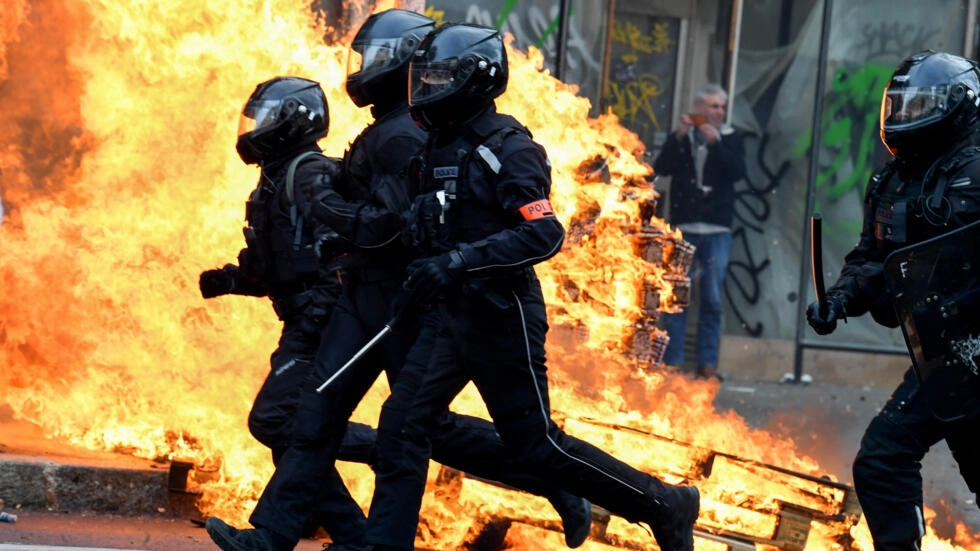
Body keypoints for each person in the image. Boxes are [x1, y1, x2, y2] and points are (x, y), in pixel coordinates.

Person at [204, 10, 591, 551]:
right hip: (364, 294)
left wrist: (328, 209)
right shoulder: (391, 129)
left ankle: (553, 478)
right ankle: (275, 536)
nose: (363, 68)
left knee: (419, 428)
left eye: (374, 58)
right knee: (318, 414)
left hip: (400, 299)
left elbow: (390, 226)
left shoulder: (407, 134)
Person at [362, 22, 701, 551]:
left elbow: (543, 233)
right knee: (403, 426)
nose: (427, 89)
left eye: (440, 79)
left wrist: (458, 261)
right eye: (424, 79)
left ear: (476, 79)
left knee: (536, 446)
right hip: (448, 314)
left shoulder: (508, 148)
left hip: (500, 313)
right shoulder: (435, 148)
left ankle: (664, 505)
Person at [806, 50, 980, 551]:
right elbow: (873, 260)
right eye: (900, 105)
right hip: (942, 356)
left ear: (958, 105)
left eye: (920, 105)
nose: (905, 116)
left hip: (971, 350)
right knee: (886, 461)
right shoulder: (892, 180)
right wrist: (838, 300)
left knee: (884, 457)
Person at [198, 75, 377, 550]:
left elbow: (339, 257)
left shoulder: (311, 174)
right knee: (290, 436)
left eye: (264, 119)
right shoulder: (275, 179)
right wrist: (232, 280)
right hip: (306, 321)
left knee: (276, 421)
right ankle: (354, 538)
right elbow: (282, 267)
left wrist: (318, 318)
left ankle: (386, 446)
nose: (254, 128)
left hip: (326, 324)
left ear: (292, 122)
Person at [653, 83, 746, 381]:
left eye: (721, 107)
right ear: (699, 109)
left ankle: (707, 364)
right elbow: (661, 168)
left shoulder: (731, 138)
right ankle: (673, 362)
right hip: (685, 228)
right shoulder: (684, 137)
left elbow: (737, 172)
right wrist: (679, 137)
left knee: (712, 300)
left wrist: (716, 143)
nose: (719, 112)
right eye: (713, 106)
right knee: (677, 297)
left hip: (717, 229)